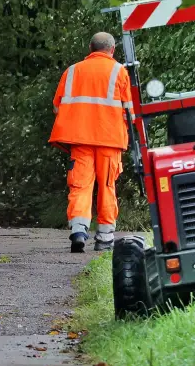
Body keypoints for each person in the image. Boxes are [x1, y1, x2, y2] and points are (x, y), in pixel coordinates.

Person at [48, 32, 132, 253]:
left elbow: (57, 107)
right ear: (112, 50)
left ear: (90, 48)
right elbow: (128, 112)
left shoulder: (72, 71)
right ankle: (104, 238)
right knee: (107, 187)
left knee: (81, 185)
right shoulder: (119, 71)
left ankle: (78, 230)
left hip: (80, 138)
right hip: (109, 140)